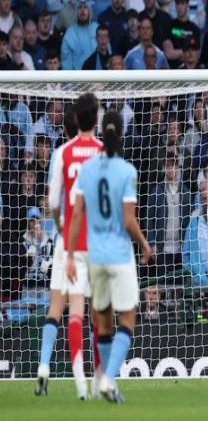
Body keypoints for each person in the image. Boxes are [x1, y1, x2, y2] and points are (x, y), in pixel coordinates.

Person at [66, 110, 151, 403]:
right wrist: (144, 244)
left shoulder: (87, 169)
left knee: (102, 322)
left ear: (101, 132)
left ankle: (104, 379)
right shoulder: (127, 171)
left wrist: (70, 255)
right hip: (120, 256)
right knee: (127, 318)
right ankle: (108, 379)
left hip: (94, 256)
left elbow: (77, 213)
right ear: (122, 133)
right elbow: (128, 221)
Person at [35, 97, 103, 400]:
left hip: (68, 239)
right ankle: (96, 377)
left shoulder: (61, 153)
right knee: (96, 310)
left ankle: (46, 367)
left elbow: (52, 201)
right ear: (95, 119)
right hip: (96, 239)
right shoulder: (102, 152)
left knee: (60, 305)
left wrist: (62, 230)